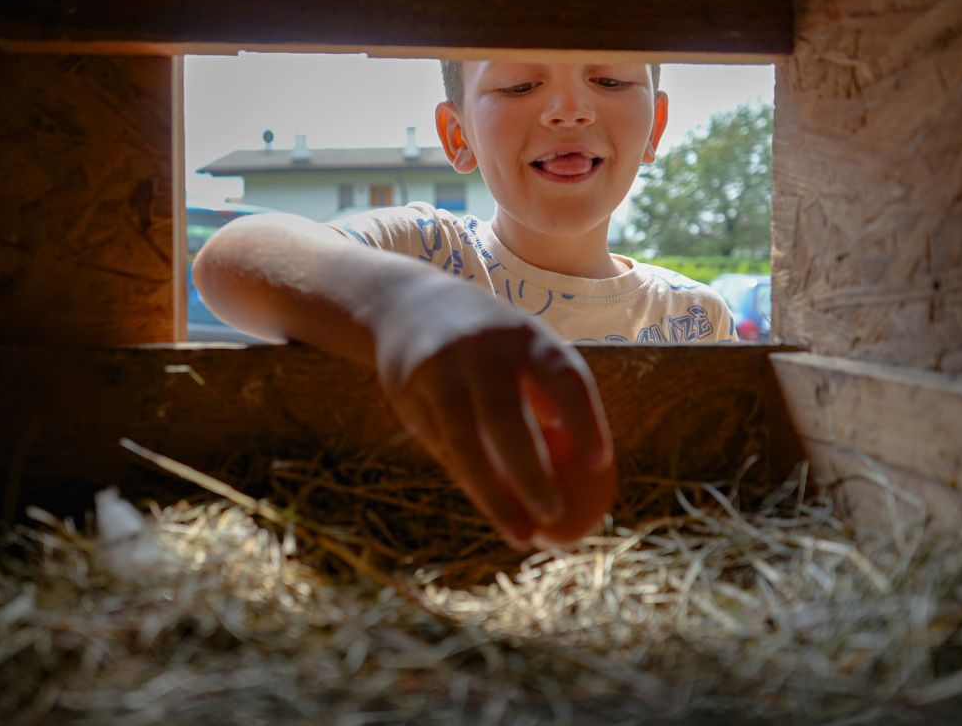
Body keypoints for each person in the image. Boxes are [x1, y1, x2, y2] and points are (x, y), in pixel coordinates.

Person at [193, 60, 736, 551]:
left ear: (655, 126)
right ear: (459, 135)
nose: (569, 109)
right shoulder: (424, 252)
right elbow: (233, 255)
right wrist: (405, 302)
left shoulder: (693, 318)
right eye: (520, 85)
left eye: (610, 81)